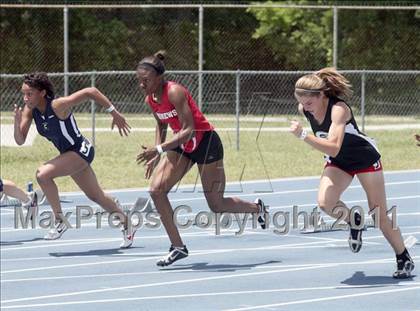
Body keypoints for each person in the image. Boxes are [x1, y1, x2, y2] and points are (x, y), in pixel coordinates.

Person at [136, 51, 268, 267]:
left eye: (146, 80)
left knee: (216, 205)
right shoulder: (151, 99)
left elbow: (188, 130)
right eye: (139, 80)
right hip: (181, 146)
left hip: (205, 143)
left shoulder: (175, 92)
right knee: (156, 191)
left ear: (159, 78)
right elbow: (161, 124)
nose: (141, 85)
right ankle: (178, 247)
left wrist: (159, 149)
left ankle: (257, 208)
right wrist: (156, 153)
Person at [289, 67, 414, 279]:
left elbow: (334, 146)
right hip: (340, 162)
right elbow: (335, 153)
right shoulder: (305, 108)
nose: (306, 107)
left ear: (322, 95)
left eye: (310, 101)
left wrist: (303, 135)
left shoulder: (339, 109)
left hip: (364, 159)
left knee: (379, 215)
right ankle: (353, 220)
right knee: (325, 202)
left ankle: (403, 257)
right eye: (301, 100)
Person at [14, 72, 135, 248]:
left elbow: (90, 91)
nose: (25, 98)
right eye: (23, 93)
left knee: (42, 175)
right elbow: (20, 140)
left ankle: (59, 220)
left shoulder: (57, 105)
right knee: (96, 196)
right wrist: (17, 124)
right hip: (68, 155)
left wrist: (113, 113)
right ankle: (127, 223)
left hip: (80, 150)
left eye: (29, 93)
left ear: (41, 92)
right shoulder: (30, 111)